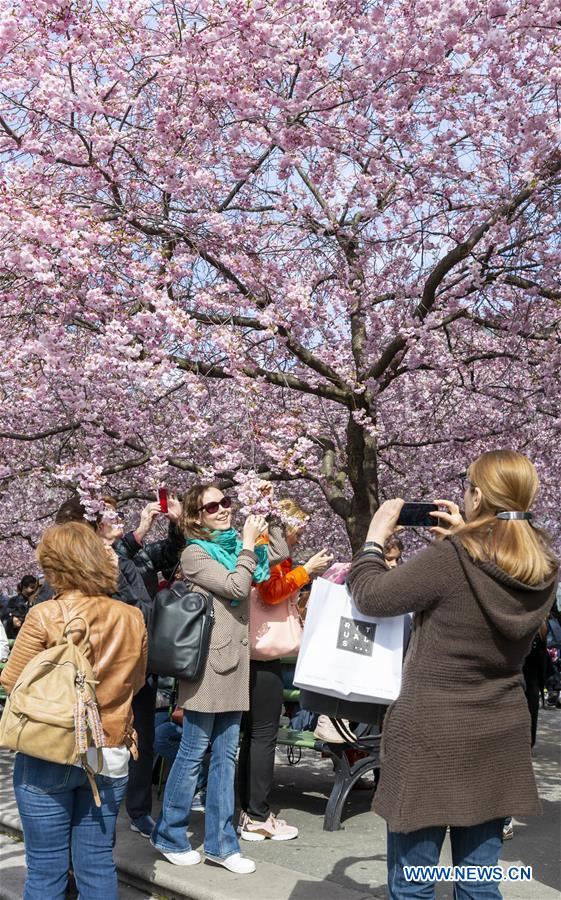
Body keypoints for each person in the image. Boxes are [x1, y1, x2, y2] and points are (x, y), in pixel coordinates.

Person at [347, 449, 558, 899]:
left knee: (414, 883)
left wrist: (373, 540)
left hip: (430, 734)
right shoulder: (543, 566)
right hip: (498, 732)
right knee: (480, 882)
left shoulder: (454, 557)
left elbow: (371, 595)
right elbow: (489, 572)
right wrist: (464, 534)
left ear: (477, 495)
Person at [0, 522, 147, 900]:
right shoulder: (132, 617)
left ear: (53, 566)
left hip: (51, 747)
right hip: (109, 751)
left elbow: (12, 680)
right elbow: (138, 680)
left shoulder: (46, 614)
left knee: (46, 870)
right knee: (97, 863)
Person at [151, 483, 289, 874]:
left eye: (226, 502)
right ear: (196, 517)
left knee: (226, 755)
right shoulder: (195, 553)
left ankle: (221, 844)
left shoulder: (232, 547)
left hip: (234, 662)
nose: (223, 510)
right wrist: (247, 545)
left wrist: (270, 513)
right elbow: (236, 585)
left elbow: (276, 556)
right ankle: (171, 834)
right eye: (213, 506)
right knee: (194, 751)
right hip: (209, 664)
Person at [238, 498, 332, 842]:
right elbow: (272, 592)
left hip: (252, 653)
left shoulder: (258, 550)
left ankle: (247, 808)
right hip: (263, 654)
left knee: (251, 736)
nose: (302, 533)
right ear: (287, 527)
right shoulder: (267, 553)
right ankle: (259, 813)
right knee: (263, 735)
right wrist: (308, 570)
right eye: (299, 527)